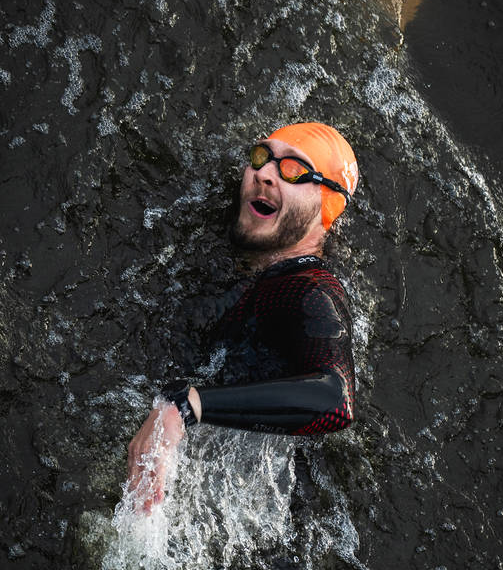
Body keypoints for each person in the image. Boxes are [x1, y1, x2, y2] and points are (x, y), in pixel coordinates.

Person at [127, 122, 359, 513]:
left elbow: (336, 401)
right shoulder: (240, 256)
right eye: (261, 157)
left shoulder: (308, 290)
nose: (264, 173)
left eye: (294, 170)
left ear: (326, 206)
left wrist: (186, 407)